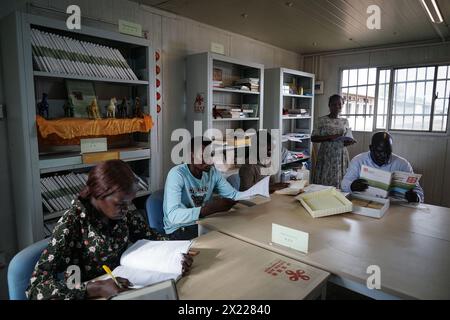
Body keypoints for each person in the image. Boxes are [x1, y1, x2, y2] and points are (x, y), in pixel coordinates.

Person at [26, 160, 194, 300]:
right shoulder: (72, 223)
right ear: (99, 194)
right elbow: (36, 287)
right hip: (90, 293)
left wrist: (175, 256)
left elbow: (150, 236)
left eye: (129, 202)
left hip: (125, 286)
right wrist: (94, 289)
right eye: (120, 203)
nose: (126, 209)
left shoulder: (121, 213)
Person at [164, 137, 242, 240]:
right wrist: (208, 210)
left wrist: (252, 192)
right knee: (225, 241)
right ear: (191, 156)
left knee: (237, 231)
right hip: (179, 228)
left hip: (204, 222)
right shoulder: (177, 174)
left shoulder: (212, 172)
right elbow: (173, 216)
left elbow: (233, 195)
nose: (210, 160)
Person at [341, 132, 424, 203]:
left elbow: (418, 190)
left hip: (394, 207)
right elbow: (344, 184)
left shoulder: (402, 164)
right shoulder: (358, 161)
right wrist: (351, 186)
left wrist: (416, 197)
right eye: (379, 151)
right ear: (371, 148)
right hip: (364, 204)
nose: (384, 156)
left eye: (388, 152)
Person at [311, 94, 356, 188]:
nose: (337, 107)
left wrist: (349, 142)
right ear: (329, 105)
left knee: (341, 180)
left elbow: (345, 138)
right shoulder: (321, 120)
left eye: (339, 104)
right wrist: (330, 137)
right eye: (334, 104)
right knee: (324, 181)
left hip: (341, 155)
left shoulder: (344, 121)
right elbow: (313, 138)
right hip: (326, 155)